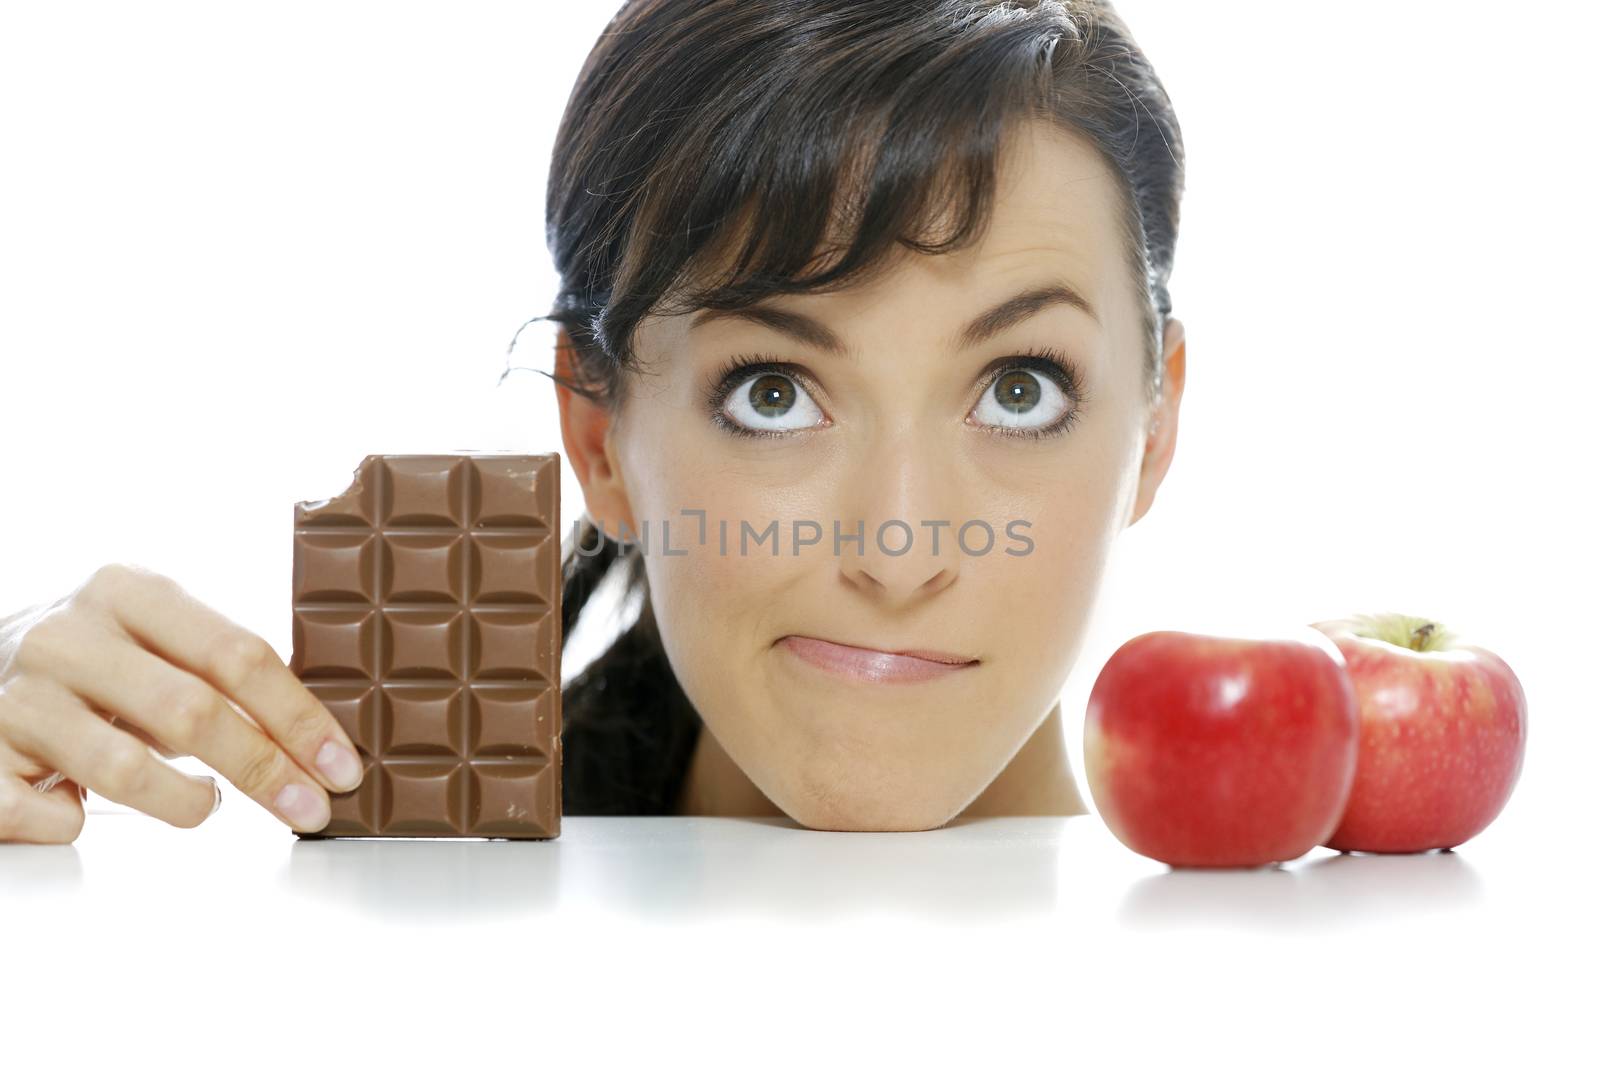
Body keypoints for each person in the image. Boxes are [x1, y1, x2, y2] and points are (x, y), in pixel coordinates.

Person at [0, 0, 1185, 843]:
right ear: (598, 435)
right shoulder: (391, 910)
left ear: (1156, 423)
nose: (898, 550)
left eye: (1017, 389)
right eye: (771, 393)